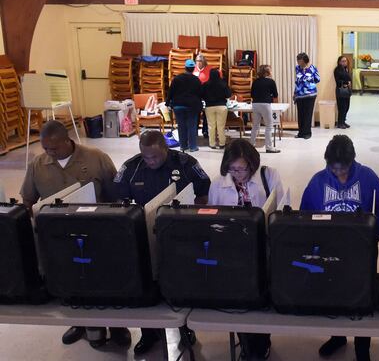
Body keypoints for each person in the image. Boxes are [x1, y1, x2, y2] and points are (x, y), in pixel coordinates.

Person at [20, 121, 127, 350]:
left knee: (104, 280)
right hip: (58, 237)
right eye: (45, 148)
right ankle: (78, 323)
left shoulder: (96, 157)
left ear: (67, 141)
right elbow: (28, 199)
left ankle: (118, 326)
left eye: (54, 148)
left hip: (96, 231)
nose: (49, 152)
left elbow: (114, 194)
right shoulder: (38, 164)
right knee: (71, 281)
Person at [114, 130, 210, 355]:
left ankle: (185, 329)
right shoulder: (130, 168)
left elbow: (203, 192)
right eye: (146, 157)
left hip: (179, 233)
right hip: (142, 234)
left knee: (181, 281)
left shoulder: (186, 163)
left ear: (166, 149)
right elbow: (119, 200)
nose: (151, 161)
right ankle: (149, 333)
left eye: (155, 156)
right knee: (144, 283)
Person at [300, 135, 379, 361]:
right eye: (334, 168)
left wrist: (376, 234)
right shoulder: (318, 181)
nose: (339, 173)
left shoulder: (367, 176)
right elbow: (305, 214)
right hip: (331, 252)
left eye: (344, 168)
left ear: (352, 162)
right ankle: (338, 336)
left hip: (362, 251)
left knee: (363, 299)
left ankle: (362, 348)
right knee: (334, 294)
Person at [208, 139, 283, 360]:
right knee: (240, 299)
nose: (238, 174)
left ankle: (261, 342)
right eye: (233, 169)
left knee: (261, 297)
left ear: (253, 164)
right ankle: (248, 345)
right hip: (232, 251)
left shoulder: (269, 175)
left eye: (243, 168)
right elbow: (212, 218)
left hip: (263, 248)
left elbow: (279, 209)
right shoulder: (217, 183)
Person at [167, 59, 202, 152]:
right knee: (192, 126)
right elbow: (200, 93)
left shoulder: (177, 79)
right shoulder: (196, 80)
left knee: (181, 126)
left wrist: (167, 103)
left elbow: (170, 92)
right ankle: (193, 147)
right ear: (193, 68)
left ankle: (183, 146)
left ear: (185, 68)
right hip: (192, 106)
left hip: (178, 106)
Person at [250, 64, 281, 153]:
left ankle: (251, 145)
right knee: (269, 126)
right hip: (265, 104)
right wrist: (270, 96)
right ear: (267, 72)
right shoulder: (271, 81)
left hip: (255, 104)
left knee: (255, 126)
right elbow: (275, 95)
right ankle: (269, 147)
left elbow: (252, 94)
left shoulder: (255, 81)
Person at [201, 68, 231, 150]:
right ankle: (222, 143)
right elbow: (228, 94)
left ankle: (212, 144)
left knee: (211, 126)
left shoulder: (205, 84)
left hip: (209, 107)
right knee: (221, 126)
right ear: (218, 74)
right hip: (221, 106)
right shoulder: (223, 83)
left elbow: (201, 95)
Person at [294, 52, 320, 139]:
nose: (298, 63)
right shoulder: (297, 68)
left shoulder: (312, 68)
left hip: (310, 95)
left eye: (300, 61)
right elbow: (297, 81)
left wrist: (309, 83)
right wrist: (294, 93)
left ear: (305, 61)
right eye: (298, 60)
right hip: (299, 95)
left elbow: (317, 79)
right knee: (300, 114)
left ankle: (307, 133)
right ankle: (300, 133)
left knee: (308, 114)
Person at [334, 55, 353, 129]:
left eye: (345, 61)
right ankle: (340, 123)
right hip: (340, 91)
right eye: (343, 61)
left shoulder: (346, 69)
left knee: (347, 107)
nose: (345, 62)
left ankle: (343, 121)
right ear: (339, 62)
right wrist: (346, 83)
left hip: (346, 91)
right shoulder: (337, 70)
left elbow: (349, 78)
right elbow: (337, 81)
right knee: (342, 107)